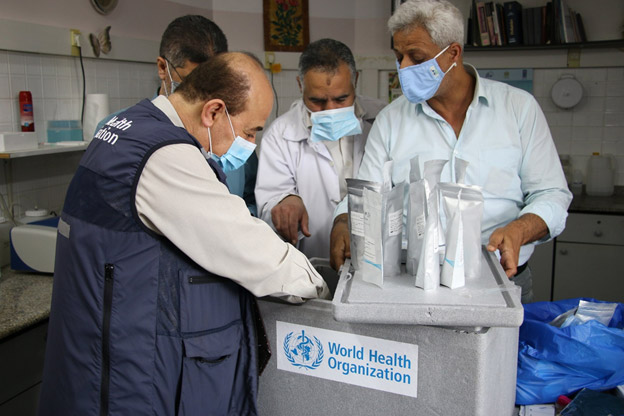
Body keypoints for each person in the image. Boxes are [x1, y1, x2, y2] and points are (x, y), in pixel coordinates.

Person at [39, 52, 329, 416]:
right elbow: (247, 248)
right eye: (250, 130)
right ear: (213, 112)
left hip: (94, 349)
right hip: (128, 367)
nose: (251, 143)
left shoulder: (127, 124)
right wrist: (319, 289)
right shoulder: (163, 154)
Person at [329, 0, 572, 303]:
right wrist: (342, 222)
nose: (403, 68)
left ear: (453, 54)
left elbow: (552, 194)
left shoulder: (518, 109)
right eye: (398, 56)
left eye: (416, 57)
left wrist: (521, 229)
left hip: (500, 277)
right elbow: (368, 192)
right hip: (412, 283)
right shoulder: (392, 120)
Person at [94, 14, 258, 215]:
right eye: (193, 83)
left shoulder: (233, 132)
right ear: (163, 68)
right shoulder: (118, 128)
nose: (204, 97)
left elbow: (252, 200)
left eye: (214, 84)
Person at [255, 38, 386, 259]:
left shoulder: (383, 120)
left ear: (356, 80)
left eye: (341, 99)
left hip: (377, 254)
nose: (330, 110)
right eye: (317, 101)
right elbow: (270, 203)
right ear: (300, 85)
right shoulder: (280, 135)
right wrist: (285, 201)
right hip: (313, 258)